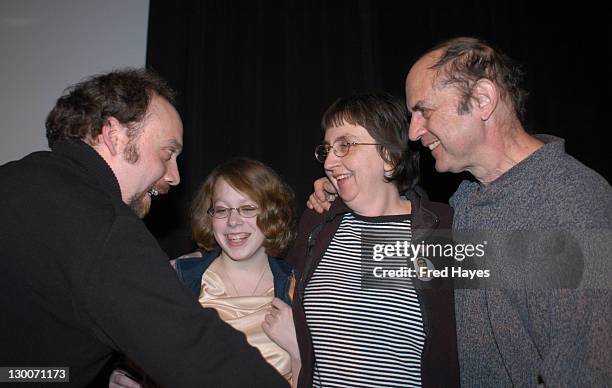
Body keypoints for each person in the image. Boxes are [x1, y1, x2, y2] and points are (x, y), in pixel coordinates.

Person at [308, 37, 612, 386]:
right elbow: (396, 265)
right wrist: (347, 193)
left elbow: (591, 372)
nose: (413, 131)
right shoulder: (471, 202)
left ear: (482, 100)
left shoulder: (572, 203)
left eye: (424, 110)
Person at [0, 69, 288, 387]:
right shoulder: (103, 225)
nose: (174, 176)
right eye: (167, 153)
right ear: (114, 135)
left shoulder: (15, 179)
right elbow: (199, 353)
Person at [290, 93, 459, 387]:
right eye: (327, 149)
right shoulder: (318, 224)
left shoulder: (440, 230)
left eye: (345, 145)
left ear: (390, 158)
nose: (329, 161)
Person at [111, 158, 301, 388]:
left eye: (247, 208)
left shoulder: (299, 289)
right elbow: (132, 360)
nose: (233, 221)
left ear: (273, 213)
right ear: (209, 218)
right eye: (221, 210)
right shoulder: (176, 281)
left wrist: (298, 351)